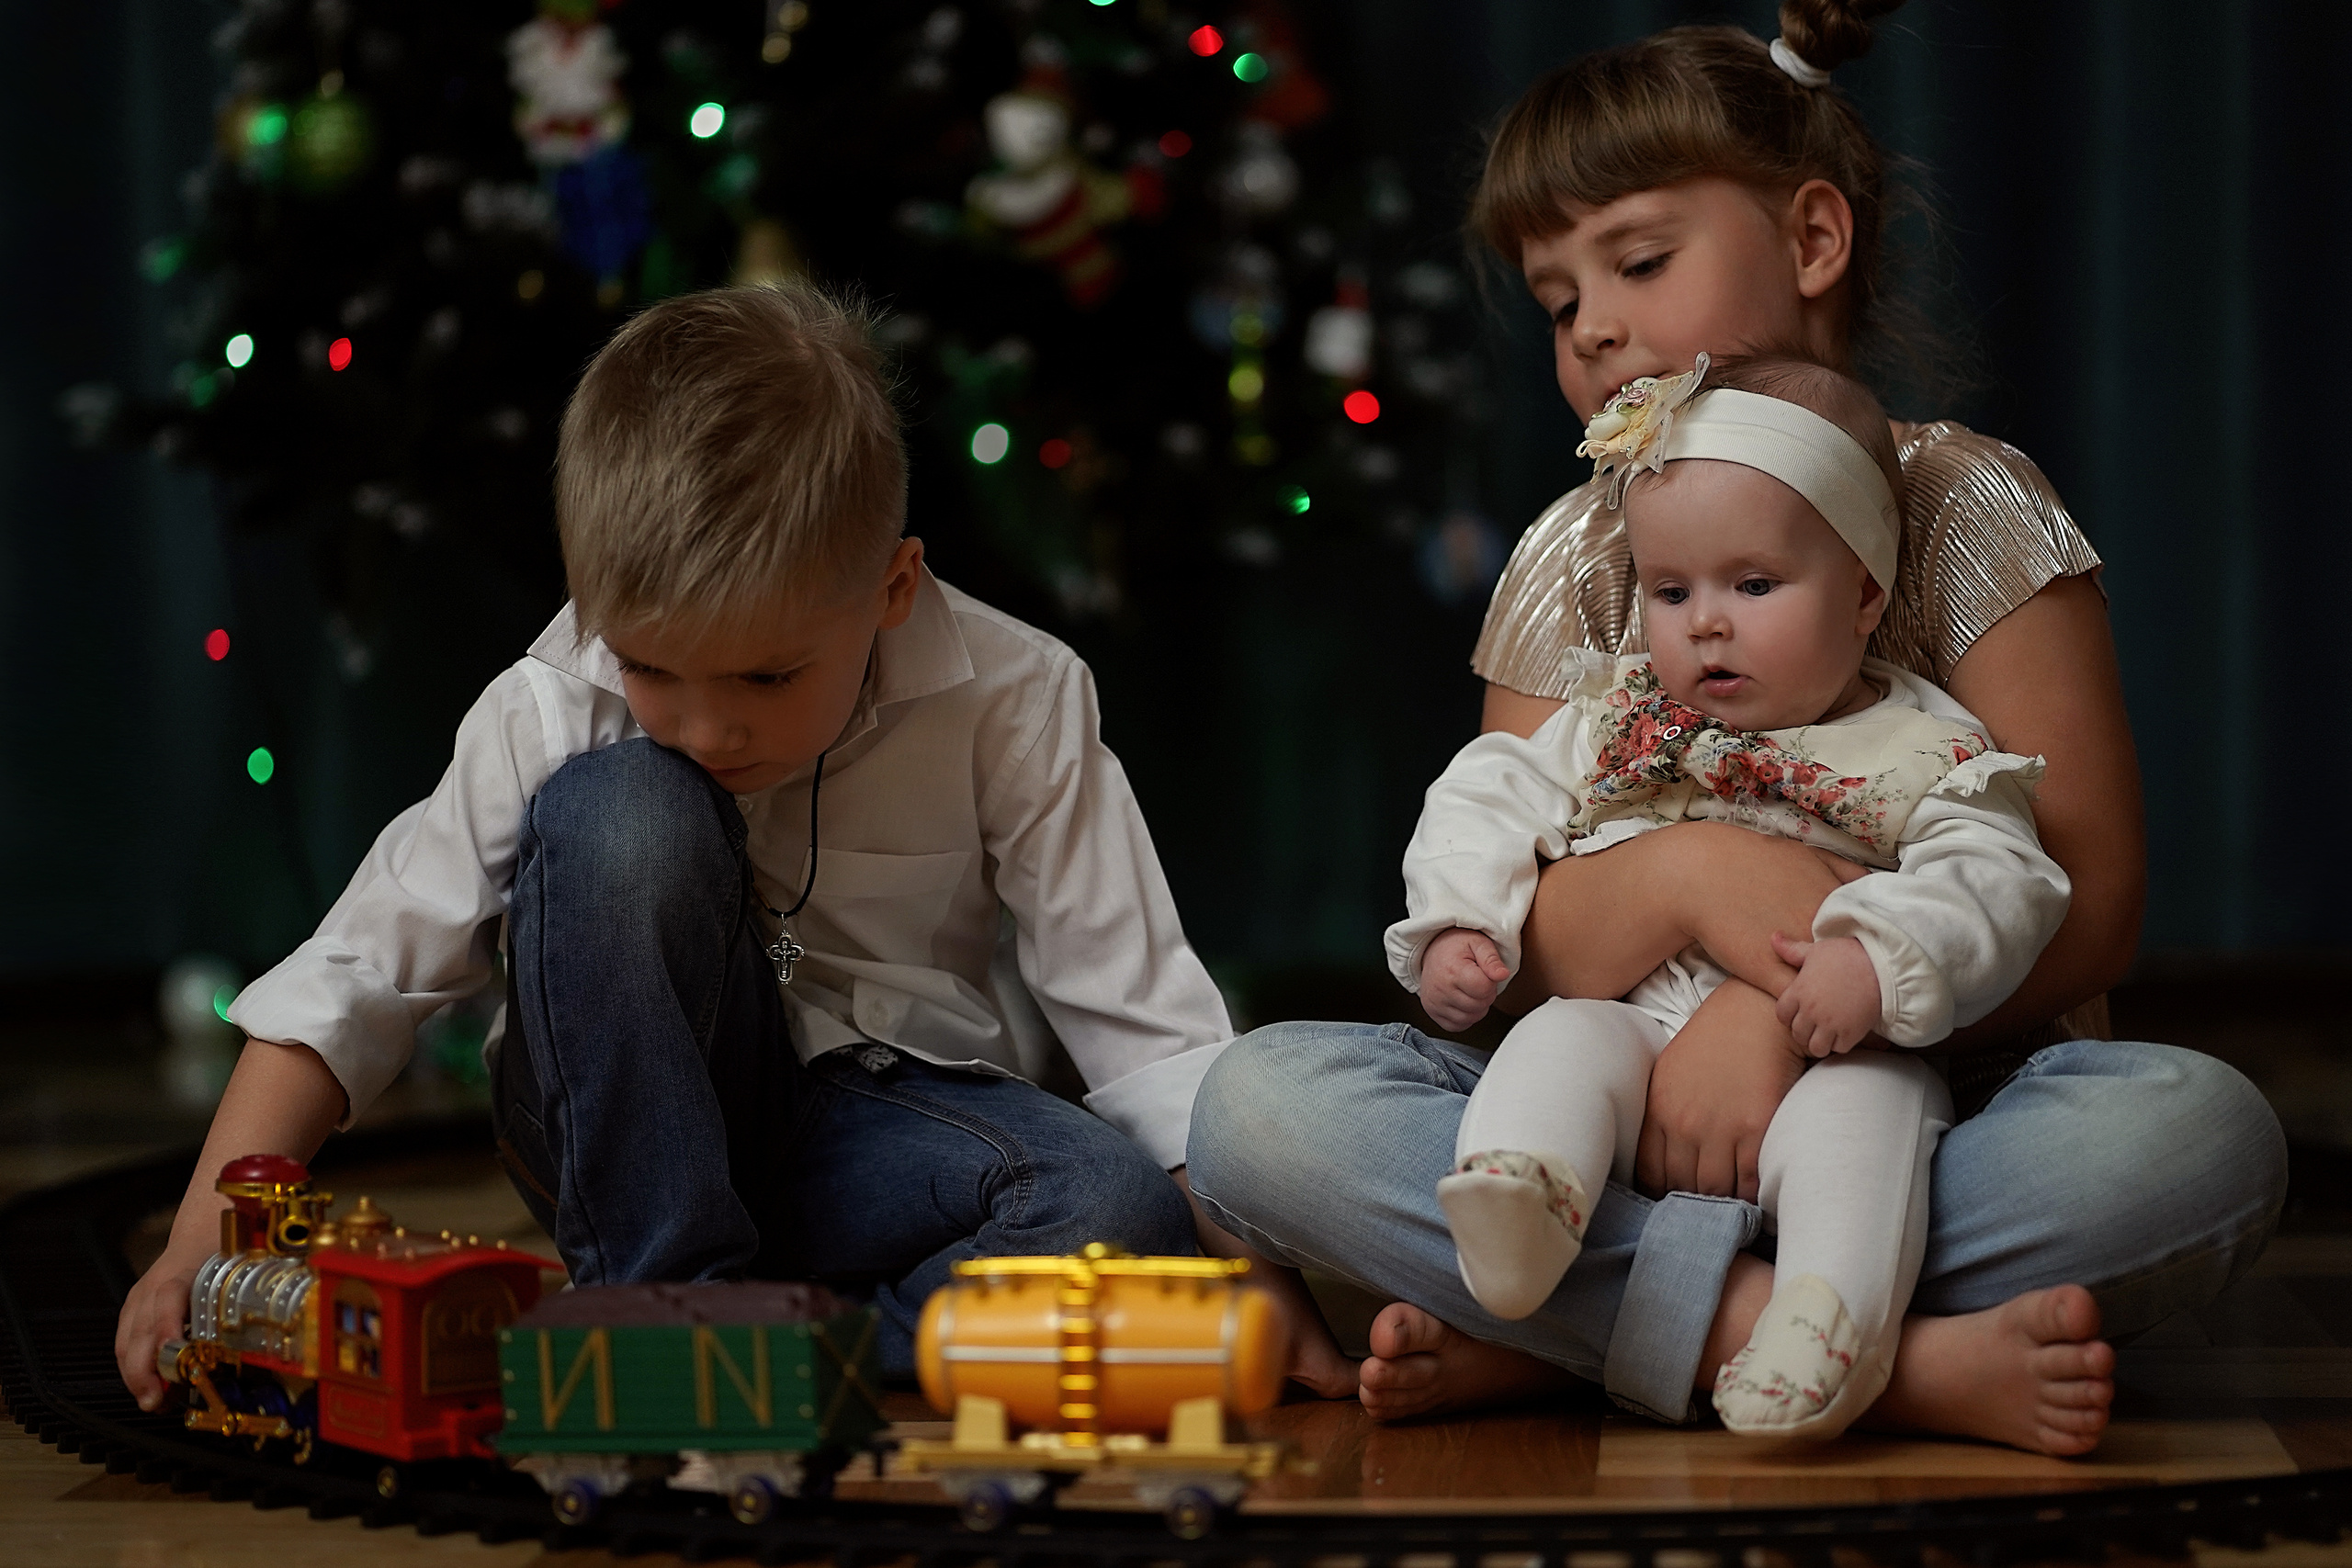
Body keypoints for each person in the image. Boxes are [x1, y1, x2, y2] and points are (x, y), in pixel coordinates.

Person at [1188, 3, 2286, 1457]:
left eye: (1638, 261)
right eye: (1556, 298)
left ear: (1814, 238)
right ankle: (1854, 1351)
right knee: (1257, 1106)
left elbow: (2090, 908)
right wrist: (1693, 878)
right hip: (1610, 1110)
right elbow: (1519, 931)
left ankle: (1586, 1329)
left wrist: (1780, 1012)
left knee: (2195, 1136)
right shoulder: (1572, 553)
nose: (1593, 324)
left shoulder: (1964, 499)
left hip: (1938, 1107)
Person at [115, 281, 1345, 1407]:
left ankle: (764, 1341)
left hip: (880, 1128)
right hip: (612, 1115)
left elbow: (1140, 1018)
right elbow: (364, 968)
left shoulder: (1020, 696)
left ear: (893, 587)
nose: (707, 726)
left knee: (1114, 1211)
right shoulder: (553, 700)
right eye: (651, 667)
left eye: (766, 675)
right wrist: (200, 1238)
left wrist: (1262, 1276)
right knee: (625, 809)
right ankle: (663, 1295)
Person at [1396, 352, 2069, 1438]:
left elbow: (1998, 877)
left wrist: (1880, 956)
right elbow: (1490, 788)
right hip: (1633, 1044)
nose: (1704, 623)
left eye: (1752, 586)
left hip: (1825, 1053)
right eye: (1671, 592)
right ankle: (1524, 1203)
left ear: (1864, 594)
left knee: (1876, 1116)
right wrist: (1459, 919)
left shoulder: (1922, 749)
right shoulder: (1618, 715)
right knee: (1556, 1039)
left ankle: (1822, 1322)